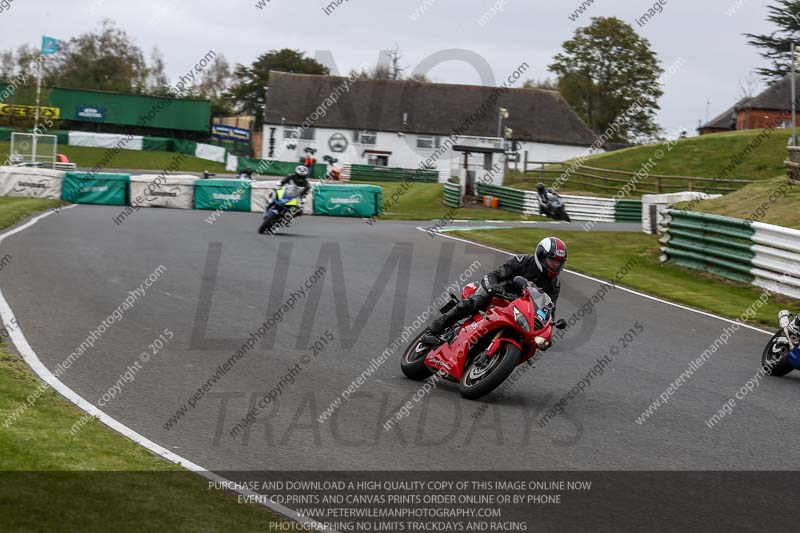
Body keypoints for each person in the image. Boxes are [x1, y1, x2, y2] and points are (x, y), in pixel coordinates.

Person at [427, 237, 567, 338]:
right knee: (473, 303)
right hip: (498, 295)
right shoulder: (522, 261)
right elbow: (493, 275)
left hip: (519, 311)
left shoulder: (555, 284)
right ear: (541, 256)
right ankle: (439, 324)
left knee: (529, 339)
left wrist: (548, 328)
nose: (555, 264)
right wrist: (493, 287)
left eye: (559, 262)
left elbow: (549, 308)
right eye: (552, 259)